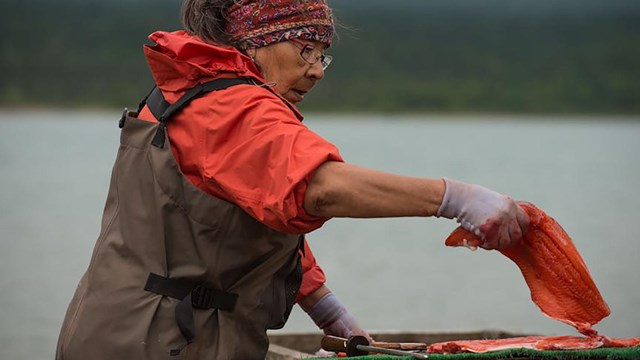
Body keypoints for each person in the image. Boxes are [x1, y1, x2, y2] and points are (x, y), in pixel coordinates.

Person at [56, 0, 529, 359]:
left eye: (324, 56)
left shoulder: (190, 90)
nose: (316, 72)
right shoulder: (234, 107)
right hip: (161, 342)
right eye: (306, 49)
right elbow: (317, 186)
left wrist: (326, 309)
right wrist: (455, 198)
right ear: (256, 40)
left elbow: (232, 220)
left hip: (115, 329)